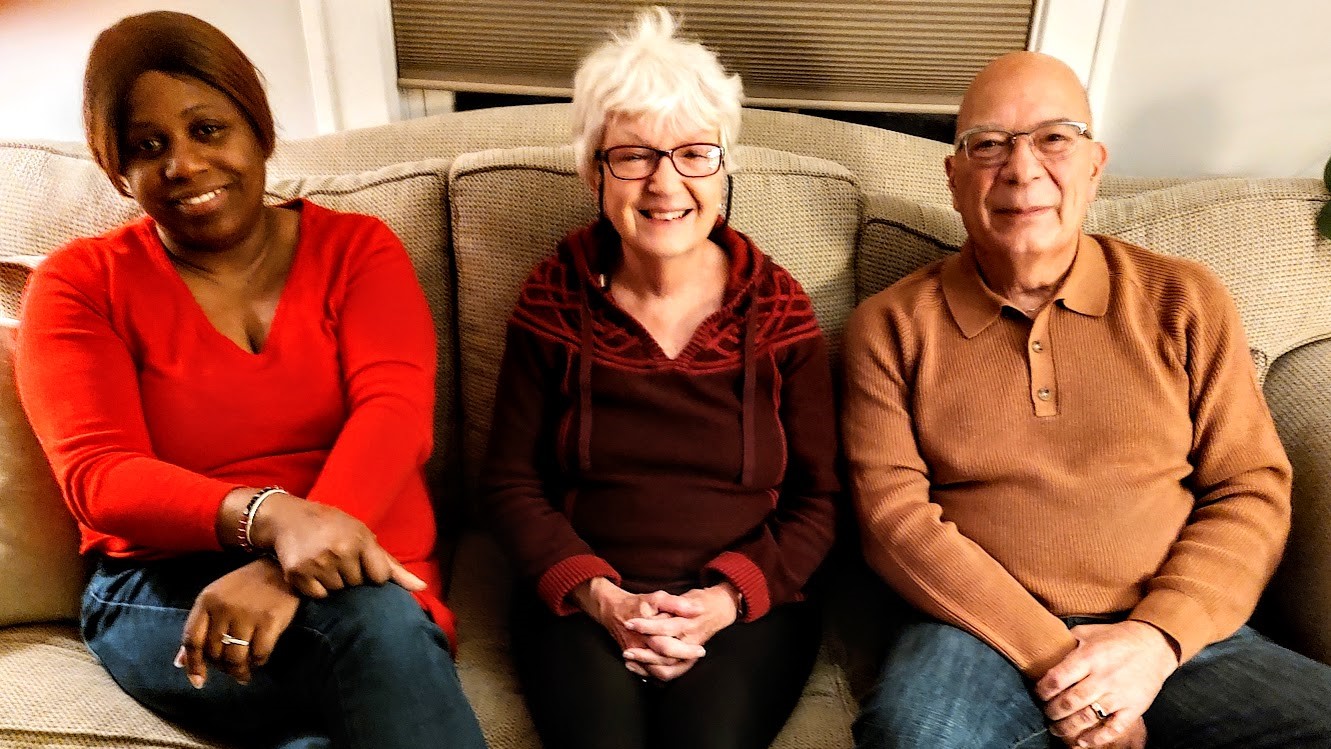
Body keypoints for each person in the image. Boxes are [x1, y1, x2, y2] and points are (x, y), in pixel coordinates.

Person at [15, 11, 487, 749]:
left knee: (356, 653)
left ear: (258, 130)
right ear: (117, 170)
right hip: (166, 589)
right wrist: (272, 519)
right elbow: (100, 475)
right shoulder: (83, 283)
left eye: (208, 130)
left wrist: (284, 567)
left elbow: (394, 415)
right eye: (148, 146)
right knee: (372, 626)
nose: (184, 165)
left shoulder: (358, 249)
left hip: (369, 574)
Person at [842, 51, 1331, 749]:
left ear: (1094, 163)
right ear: (952, 180)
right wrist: (1071, 672)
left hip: (1173, 634)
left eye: (1052, 137)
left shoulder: (1183, 298)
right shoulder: (890, 325)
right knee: (918, 733)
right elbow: (892, 521)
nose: (1020, 168)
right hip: (975, 633)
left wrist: (1154, 641)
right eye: (987, 144)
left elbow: (1250, 486)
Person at [480, 8, 839, 749]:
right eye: (634, 155)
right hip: (583, 597)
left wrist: (723, 599)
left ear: (723, 165)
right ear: (593, 172)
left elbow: (820, 498)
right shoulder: (552, 294)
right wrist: (599, 594)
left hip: (743, 604)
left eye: (693, 153)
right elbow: (511, 480)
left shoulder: (778, 307)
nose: (665, 182)